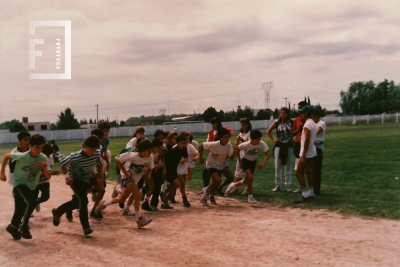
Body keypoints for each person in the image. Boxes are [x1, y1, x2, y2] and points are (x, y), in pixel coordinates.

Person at [52, 135, 103, 236]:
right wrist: (67, 177)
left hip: (85, 180)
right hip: (74, 180)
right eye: (91, 149)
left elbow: (100, 164)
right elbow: (62, 163)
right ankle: (86, 227)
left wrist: (99, 176)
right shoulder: (75, 156)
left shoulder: (97, 154)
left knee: (77, 202)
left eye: (95, 149)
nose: (93, 152)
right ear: (85, 146)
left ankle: (58, 211)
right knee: (83, 201)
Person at [97, 139, 153, 228]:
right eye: (148, 151)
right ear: (142, 150)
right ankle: (139, 219)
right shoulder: (133, 156)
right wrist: (125, 173)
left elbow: (150, 167)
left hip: (135, 179)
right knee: (138, 194)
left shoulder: (150, 157)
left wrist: (147, 172)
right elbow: (117, 159)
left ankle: (103, 204)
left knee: (121, 199)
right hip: (126, 177)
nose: (150, 153)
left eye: (151, 151)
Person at [3, 134, 51, 240]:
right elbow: (6, 156)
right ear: (30, 146)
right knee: (32, 202)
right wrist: (2, 173)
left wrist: (45, 169)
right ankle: (24, 227)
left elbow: (48, 176)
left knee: (20, 209)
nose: (39, 150)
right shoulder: (23, 156)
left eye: (41, 147)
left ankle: (12, 227)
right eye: (36, 147)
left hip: (32, 186)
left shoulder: (42, 157)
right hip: (19, 184)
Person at [225, 130, 270, 204]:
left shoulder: (261, 143)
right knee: (251, 178)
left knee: (245, 181)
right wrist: (240, 161)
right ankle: (250, 197)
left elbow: (267, 154)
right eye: (257, 140)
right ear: (252, 139)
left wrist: (263, 163)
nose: (258, 141)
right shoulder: (246, 144)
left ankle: (232, 185)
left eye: (259, 139)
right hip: (245, 161)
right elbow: (237, 149)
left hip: (253, 162)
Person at [198, 128, 236, 206]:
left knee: (218, 182)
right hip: (211, 165)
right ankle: (206, 193)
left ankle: (206, 192)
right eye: (225, 137)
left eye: (228, 137)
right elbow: (202, 145)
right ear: (220, 138)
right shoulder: (215, 144)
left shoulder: (228, 146)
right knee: (217, 180)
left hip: (220, 165)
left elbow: (231, 157)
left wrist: (236, 150)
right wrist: (201, 157)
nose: (227, 139)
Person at [266, 107, 294, 192]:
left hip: (289, 145)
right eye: (281, 113)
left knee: (288, 166)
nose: (282, 115)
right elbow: (268, 131)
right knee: (278, 166)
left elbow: (298, 131)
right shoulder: (277, 122)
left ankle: (288, 185)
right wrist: (273, 139)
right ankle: (277, 185)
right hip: (279, 145)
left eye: (284, 113)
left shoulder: (292, 122)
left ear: (288, 114)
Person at [294, 105, 317, 204]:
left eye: (302, 113)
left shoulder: (307, 124)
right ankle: (311, 192)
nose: (300, 115)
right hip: (311, 151)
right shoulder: (313, 123)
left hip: (306, 152)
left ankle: (304, 194)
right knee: (309, 172)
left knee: (298, 172)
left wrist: (303, 155)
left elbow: (307, 139)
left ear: (306, 113)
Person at [160, 135, 189, 208]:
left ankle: (165, 199)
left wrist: (184, 160)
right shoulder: (173, 151)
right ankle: (164, 193)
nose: (183, 145)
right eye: (181, 143)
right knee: (177, 183)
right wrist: (165, 170)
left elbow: (186, 157)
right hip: (169, 169)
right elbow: (165, 161)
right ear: (177, 143)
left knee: (176, 185)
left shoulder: (184, 149)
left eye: (185, 143)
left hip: (174, 169)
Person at [176, 131, 199, 207]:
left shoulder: (189, 146)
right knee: (181, 183)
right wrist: (180, 161)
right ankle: (184, 198)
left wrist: (195, 157)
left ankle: (168, 195)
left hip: (185, 167)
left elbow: (196, 153)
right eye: (186, 139)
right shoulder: (176, 147)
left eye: (188, 139)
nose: (188, 141)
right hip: (177, 167)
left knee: (182, 183)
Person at [201, 117, 223, 189]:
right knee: (207, 173)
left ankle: (214, 187)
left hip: (219, 155)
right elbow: (207, 143)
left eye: (214, 123)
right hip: (211, 155)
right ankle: (208, 187)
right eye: (212, 124)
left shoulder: (221, 132)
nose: (213, 125)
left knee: (216, 172)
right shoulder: (210, 132)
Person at [292, 100, 308, 193]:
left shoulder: (309, 120)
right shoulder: (296, 120)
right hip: (298, 143)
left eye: (301, 109)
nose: (299, 111)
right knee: (297, 166)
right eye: (298, 109)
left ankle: (306, 187)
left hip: (305, 143)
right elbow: (292, 133)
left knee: (306, 167)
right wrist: (299, 129)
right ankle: (301, 186)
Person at [233, 118, 252, 195]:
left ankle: (247, 188)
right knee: (238, 173)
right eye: (241, 125)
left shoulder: (250, 133)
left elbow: (251, 144)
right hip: (240, 155)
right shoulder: (241, 134)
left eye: (244, 125)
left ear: (248, 125)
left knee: (247, 173)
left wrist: (242, 140)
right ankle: (236, 187)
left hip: (247, 156)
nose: (243, 127)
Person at [311, 105, 326, 196]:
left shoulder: (321, 123)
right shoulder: (312, 123)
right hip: (311, 146)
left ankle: (317, 190)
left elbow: (316, 131)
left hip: (318, 147)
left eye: (312, 115)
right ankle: (312, 188)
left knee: (317, 170)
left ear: (316, 115)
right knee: (311, 169)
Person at [34, 144, 54, 213]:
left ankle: (36, 202)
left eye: (49, 154)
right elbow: (35, 173)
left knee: (46, 196)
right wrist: (47, 174)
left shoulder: (50, 158)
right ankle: (29, 211)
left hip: (44, 181)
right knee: (33, 195)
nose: (48, 156)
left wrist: (49, 173)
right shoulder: (37, 158)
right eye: (47, 154)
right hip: (35, 181)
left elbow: (49, 170)